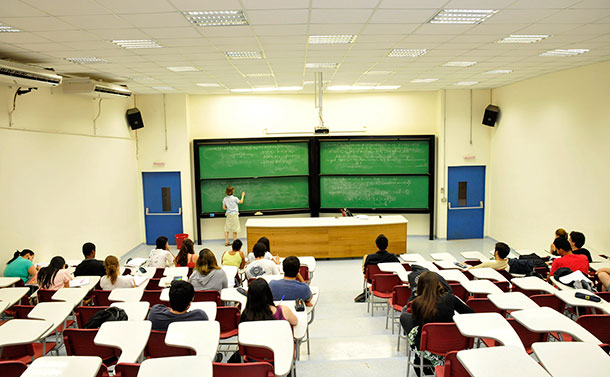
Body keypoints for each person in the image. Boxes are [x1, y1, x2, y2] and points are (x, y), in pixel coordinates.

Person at [400, 271, 473, 376]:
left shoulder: (417, 303)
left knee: (405, 317)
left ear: (420, 285)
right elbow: (471, 314)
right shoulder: (451, 298)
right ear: (439, 283)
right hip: (452, 344)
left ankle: (420, 359)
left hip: (427, 346)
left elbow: (418, 324)